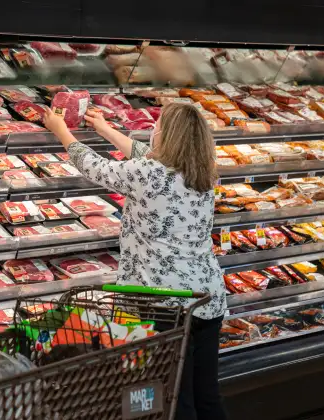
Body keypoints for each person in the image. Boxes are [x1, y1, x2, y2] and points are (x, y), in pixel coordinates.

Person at [43, 103, 227, 420]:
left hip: (166, 304)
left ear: (168, 137)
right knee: (206, 395)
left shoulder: (148, 174)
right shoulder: (203, 170)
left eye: (158, 126)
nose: (153, 130)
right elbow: (144, 154)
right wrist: (105, 129)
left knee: (175, 397)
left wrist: (61, 132)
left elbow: (94, 166)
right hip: (208, 299)